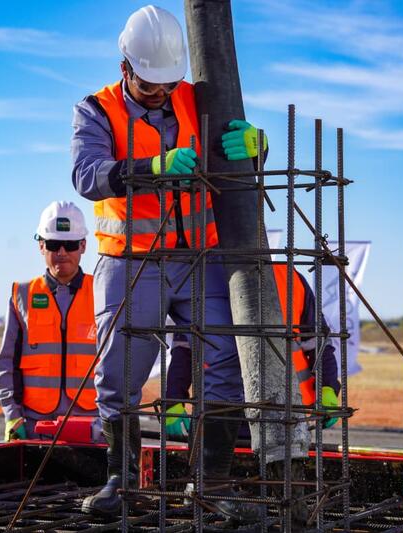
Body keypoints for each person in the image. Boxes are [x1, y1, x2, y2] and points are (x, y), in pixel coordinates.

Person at [71, 5, 268, 520]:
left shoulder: (195, 98)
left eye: (169, 83)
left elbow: (237, 148)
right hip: (131, 263)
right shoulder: (96, 109)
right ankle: (122, 482)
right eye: (149, 84)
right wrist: (153, 168)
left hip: (200, 258)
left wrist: (258, 145)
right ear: (125, 68)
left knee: (225, 361)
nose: (161, 92)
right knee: (120, 372)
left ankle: (212, 484)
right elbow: (87, 175)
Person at [165, 265, 342, 438]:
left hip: (284, 409)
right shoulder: (202, 275)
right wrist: (174, 398)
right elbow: (186, 348)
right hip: (220, 406)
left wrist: (327, 388)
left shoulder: (290, 278)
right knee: (219, 454)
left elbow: (318, 343)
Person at [0, 201, 100, 442]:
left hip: (92, 426)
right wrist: (12, 416)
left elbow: (119, 364)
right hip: (35, 426)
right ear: (41, 245)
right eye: (53, 244)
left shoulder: (102, 293)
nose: (62, 252)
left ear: (83, 245)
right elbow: (6, 362)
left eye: (70, 244)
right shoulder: (22, 295)